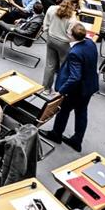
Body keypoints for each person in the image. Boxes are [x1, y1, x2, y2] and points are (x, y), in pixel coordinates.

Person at [42, 24, 99, 152]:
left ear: (71, 36)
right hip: (89, 87)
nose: (66, 32)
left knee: (63, 110)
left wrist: (61, 92)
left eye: (68, 31)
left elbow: (75, 77)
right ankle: (77, 140)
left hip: (76, 90)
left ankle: (56, 134)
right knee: (81, 113)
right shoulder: (90, 43)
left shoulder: (75, 53)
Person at [42, 0, 77, 91]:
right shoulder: (72, 18)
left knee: (50, 65)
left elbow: (46, 23)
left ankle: (45, 89)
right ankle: (60, 90)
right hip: (63, 44)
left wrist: (48, 32)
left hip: (50, 39)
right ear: (73, 6)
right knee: (63, 67)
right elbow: (70, 34)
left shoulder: (51, 9)